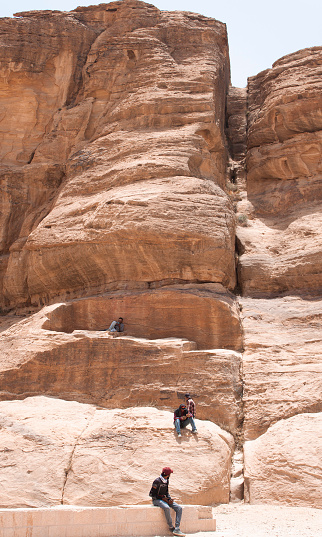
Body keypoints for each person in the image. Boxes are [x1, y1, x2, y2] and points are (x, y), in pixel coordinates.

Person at [149, 467, 185, 536]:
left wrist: (169, 499)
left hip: (164, 499)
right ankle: (171, 527)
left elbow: (166, 492)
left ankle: (177, 528)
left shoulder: (166, 481)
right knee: (166, 508)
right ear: (168, 474)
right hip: (156, 500)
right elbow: (151, 494)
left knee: (179, 508)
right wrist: (162, 498)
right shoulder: (157, 481)